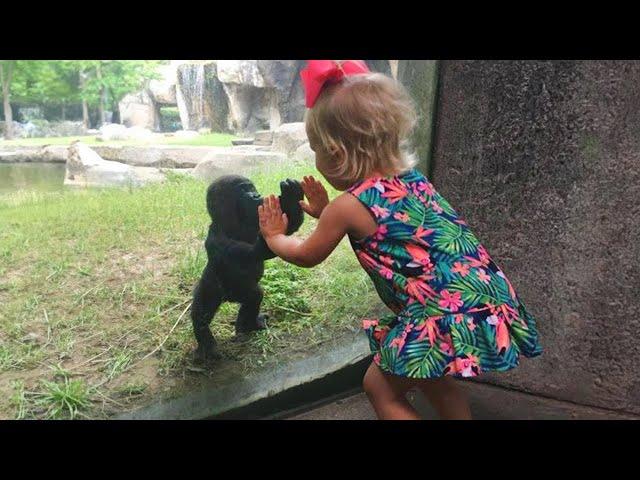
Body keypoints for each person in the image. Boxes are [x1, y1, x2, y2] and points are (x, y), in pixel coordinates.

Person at [257, 60, 542, 420]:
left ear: (337, 153)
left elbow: (306, 255)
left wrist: (274, 236)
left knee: (379, 388)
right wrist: (325, 213)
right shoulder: (412, 180)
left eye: (316, 147)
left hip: (438, 312)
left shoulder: (347, 208)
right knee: (434, 378)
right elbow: (390, 226)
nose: (315, 158)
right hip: (480, 293)